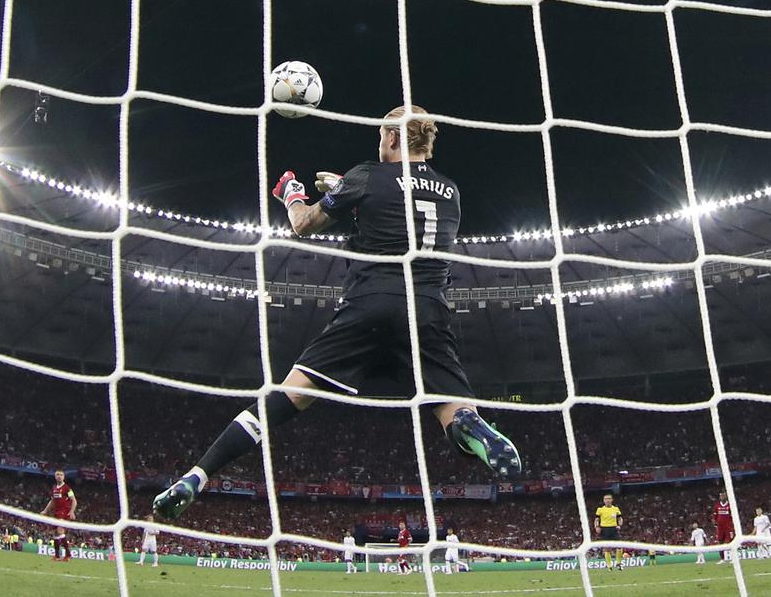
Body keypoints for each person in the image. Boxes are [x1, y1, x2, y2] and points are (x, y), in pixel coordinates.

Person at [153, 106, 523, 519]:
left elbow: (304, 224)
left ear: (394, 138)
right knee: (452, 410)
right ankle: (471, 425)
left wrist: (292, 193)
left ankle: (197, 476)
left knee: (286, 395)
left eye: (382, 138)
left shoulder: (366, 174)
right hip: (428, 309)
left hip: (370, 301)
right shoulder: (450, 190)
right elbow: (398, 210)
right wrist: (347, 190)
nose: (379, 145)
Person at [42, 470, 77, 561]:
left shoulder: (67, 488)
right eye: (57, 474)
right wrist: (45, 510)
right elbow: (52, 501)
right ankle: (57, 555)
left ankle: (68, 554)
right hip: (56, 512)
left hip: (64, 512)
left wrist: (72, 511)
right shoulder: (54, 488)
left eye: (61, 475)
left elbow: (74, 500)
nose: (59, 476)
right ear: (55, 476)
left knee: (60, 530)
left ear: (64, 477)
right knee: (55, 533)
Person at [593, 494, 624, 570]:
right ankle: (609, 566)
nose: (607, 500)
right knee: (607, 548)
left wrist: (619, 525)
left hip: (614, 528)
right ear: (604, 501)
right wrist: (597, 527)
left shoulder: (616, 509)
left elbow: (620, 519)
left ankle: (618, 563)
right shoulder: (600, 509)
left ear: (612, 500)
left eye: (609, 498)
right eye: (606, 499)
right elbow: (597, 520)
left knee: (619, 546)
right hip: (604, 529)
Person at [713, 491, 734, 564]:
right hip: (720, 528)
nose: (722, 497)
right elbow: (715, 517)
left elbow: (733, 516)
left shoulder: (730, 505)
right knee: (720, 542)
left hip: (728, 527)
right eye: (721, 496)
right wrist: (715, 523)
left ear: (726, 496)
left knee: (731, 542)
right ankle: (722, 559)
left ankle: (733, 558)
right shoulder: (717, 506)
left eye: (723, 496)